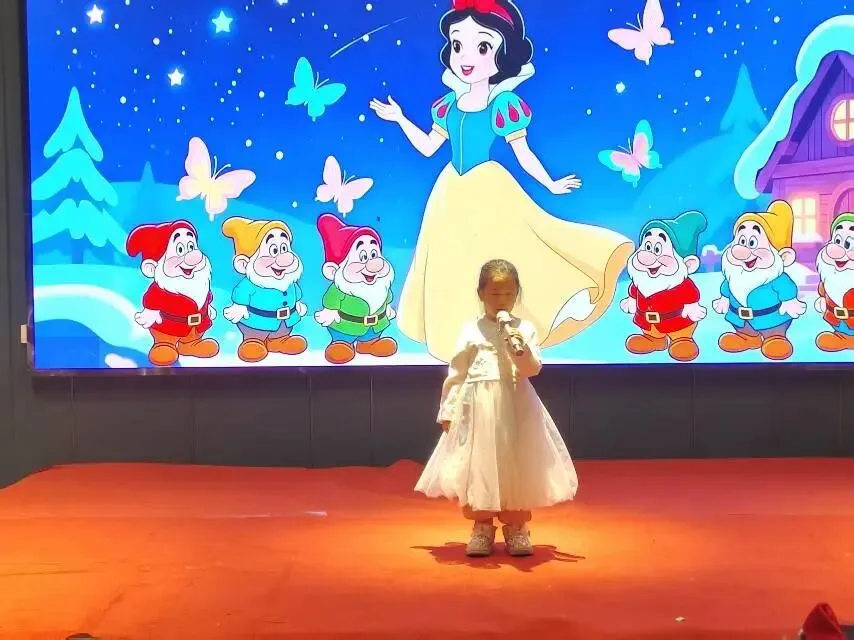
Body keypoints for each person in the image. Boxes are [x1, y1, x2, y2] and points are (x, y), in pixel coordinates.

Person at [370, 0, 633, 364]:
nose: (466, 56)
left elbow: (523, 153)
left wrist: (550, 183)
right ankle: (461, 340)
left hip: (489, 190)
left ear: (502, 55)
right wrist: (400, 118)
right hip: (450, 193)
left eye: (482, 46)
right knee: (452, 263)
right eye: (458, 44)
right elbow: (429, 147)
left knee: (516, 250)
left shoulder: (503, 105)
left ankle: (526, 322)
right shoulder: (447, 106)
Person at [415, 259, 579, 557]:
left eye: (508, 294)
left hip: (515, 404)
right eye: (494, 294)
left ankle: (517, 527)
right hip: (478, 407)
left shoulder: (524, 329)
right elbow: (458, 373)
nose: (501, 300)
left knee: (516, 462)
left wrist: (517, 344)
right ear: (481, 294)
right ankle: (481, 526)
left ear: (517, 294)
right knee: (480, 464)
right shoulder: (471, 330)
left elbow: (531, 369)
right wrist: (448, 410)